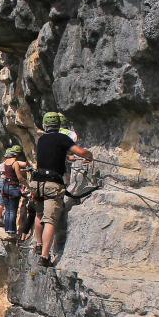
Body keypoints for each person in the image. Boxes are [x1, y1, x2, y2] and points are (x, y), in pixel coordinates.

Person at [32, 112, 93, 267]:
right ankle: (45, 257)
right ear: (59, 125)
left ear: (45, 125)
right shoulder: (62, 138)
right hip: (53, 183)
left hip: (36, 183)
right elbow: (80, 152)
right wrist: (88, 155)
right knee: (50, 220)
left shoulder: (42, 140)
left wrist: (69, 158)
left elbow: (53, 155)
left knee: (39, 214)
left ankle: (38, 245)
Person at [1, 145, 28, 236]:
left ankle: (7, 229)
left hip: (5, 186)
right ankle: (12, 230)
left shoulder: (6, 162)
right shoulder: (15, 163)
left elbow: (9, 173)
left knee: (8, 209)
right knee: (13, 210)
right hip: (13, 187)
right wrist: (27, 185)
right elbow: (19, 177)